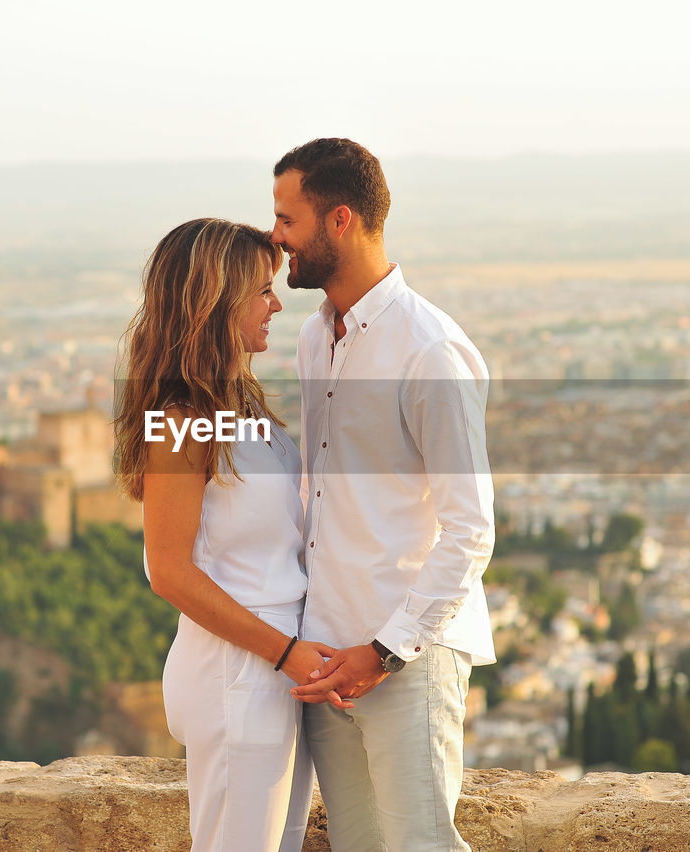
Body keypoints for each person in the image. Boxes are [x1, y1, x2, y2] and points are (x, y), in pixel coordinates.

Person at [271, 139, 496, 852]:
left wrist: (387, 649)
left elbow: (471, 528)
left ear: (339, 220)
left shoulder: (428, 349)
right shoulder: (315, 339)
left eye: (287, 220)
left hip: (406, 652)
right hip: (327, 654)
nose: (276, 239)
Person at [114, 218, 345, 852]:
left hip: (274, 668)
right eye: (261, 291)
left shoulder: (239, 406)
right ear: (213, 302)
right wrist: (282, 651)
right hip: (237, 671)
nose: (276, 303)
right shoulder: (181, 419)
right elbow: (169, 571)